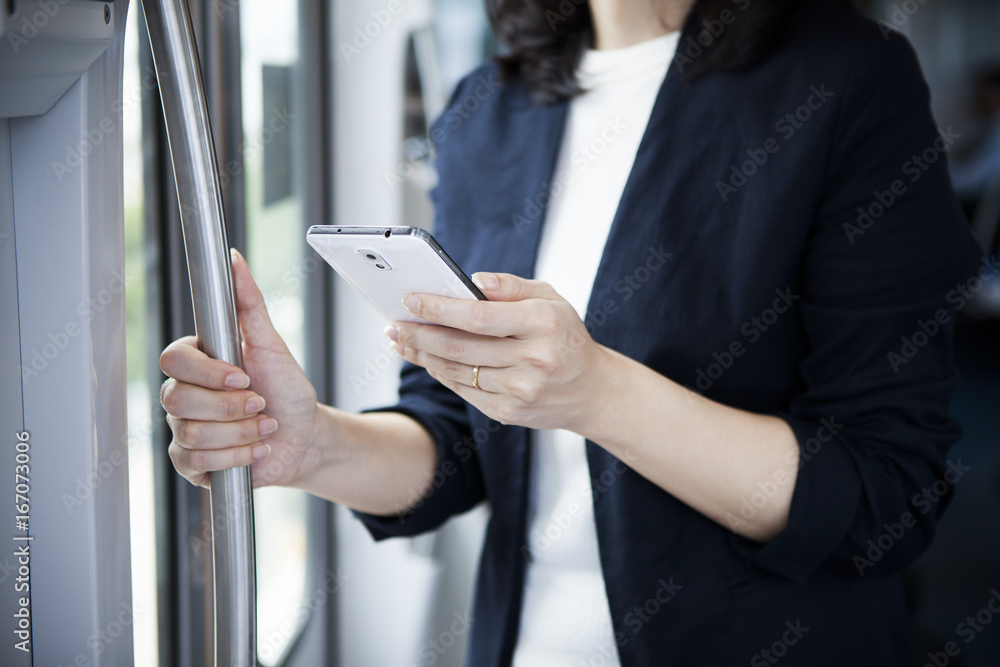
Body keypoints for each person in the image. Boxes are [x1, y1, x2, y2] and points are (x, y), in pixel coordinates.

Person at [158, 0, 984, 664]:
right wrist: (311, 446)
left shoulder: (846, 77)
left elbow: (884, 491)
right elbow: (460, 437)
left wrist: (601, 394)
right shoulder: (486, 109)